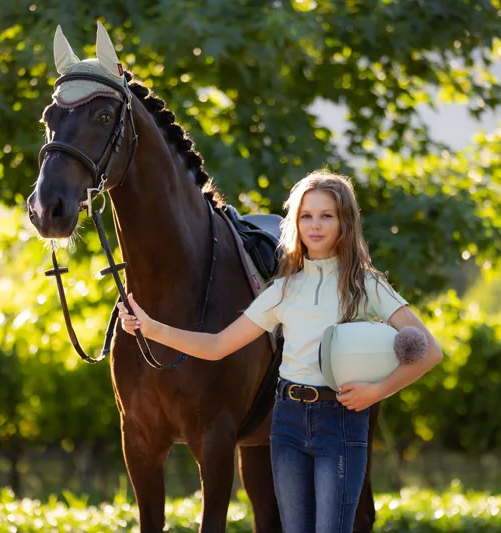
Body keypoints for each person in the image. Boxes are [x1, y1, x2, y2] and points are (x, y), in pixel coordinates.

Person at [117, 170, 444, 532]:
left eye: (326, 216)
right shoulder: (282, 289)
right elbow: (216, 346)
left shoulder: (365, 284)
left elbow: (428, 351)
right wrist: (150, 327)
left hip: (338, 419)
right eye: (306, 216)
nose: (315, 226)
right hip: (286, 424)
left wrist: (376, 391)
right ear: (295, 222)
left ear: (344, 222)